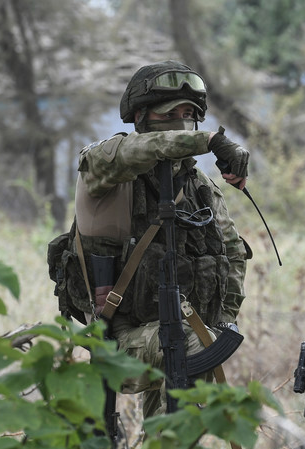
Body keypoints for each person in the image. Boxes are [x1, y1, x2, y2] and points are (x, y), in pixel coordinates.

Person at [72, 60, 251, 418]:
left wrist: (221, 323)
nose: (183, 123)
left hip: (180, 333)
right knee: (190, 345)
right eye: (171, 114)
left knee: (172, 437)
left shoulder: (199, 187)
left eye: (190, 114)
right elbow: (139, 150)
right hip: (120, 341)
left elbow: (232, 256)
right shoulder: (106, 165)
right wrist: (210, 140)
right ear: (142, 117)